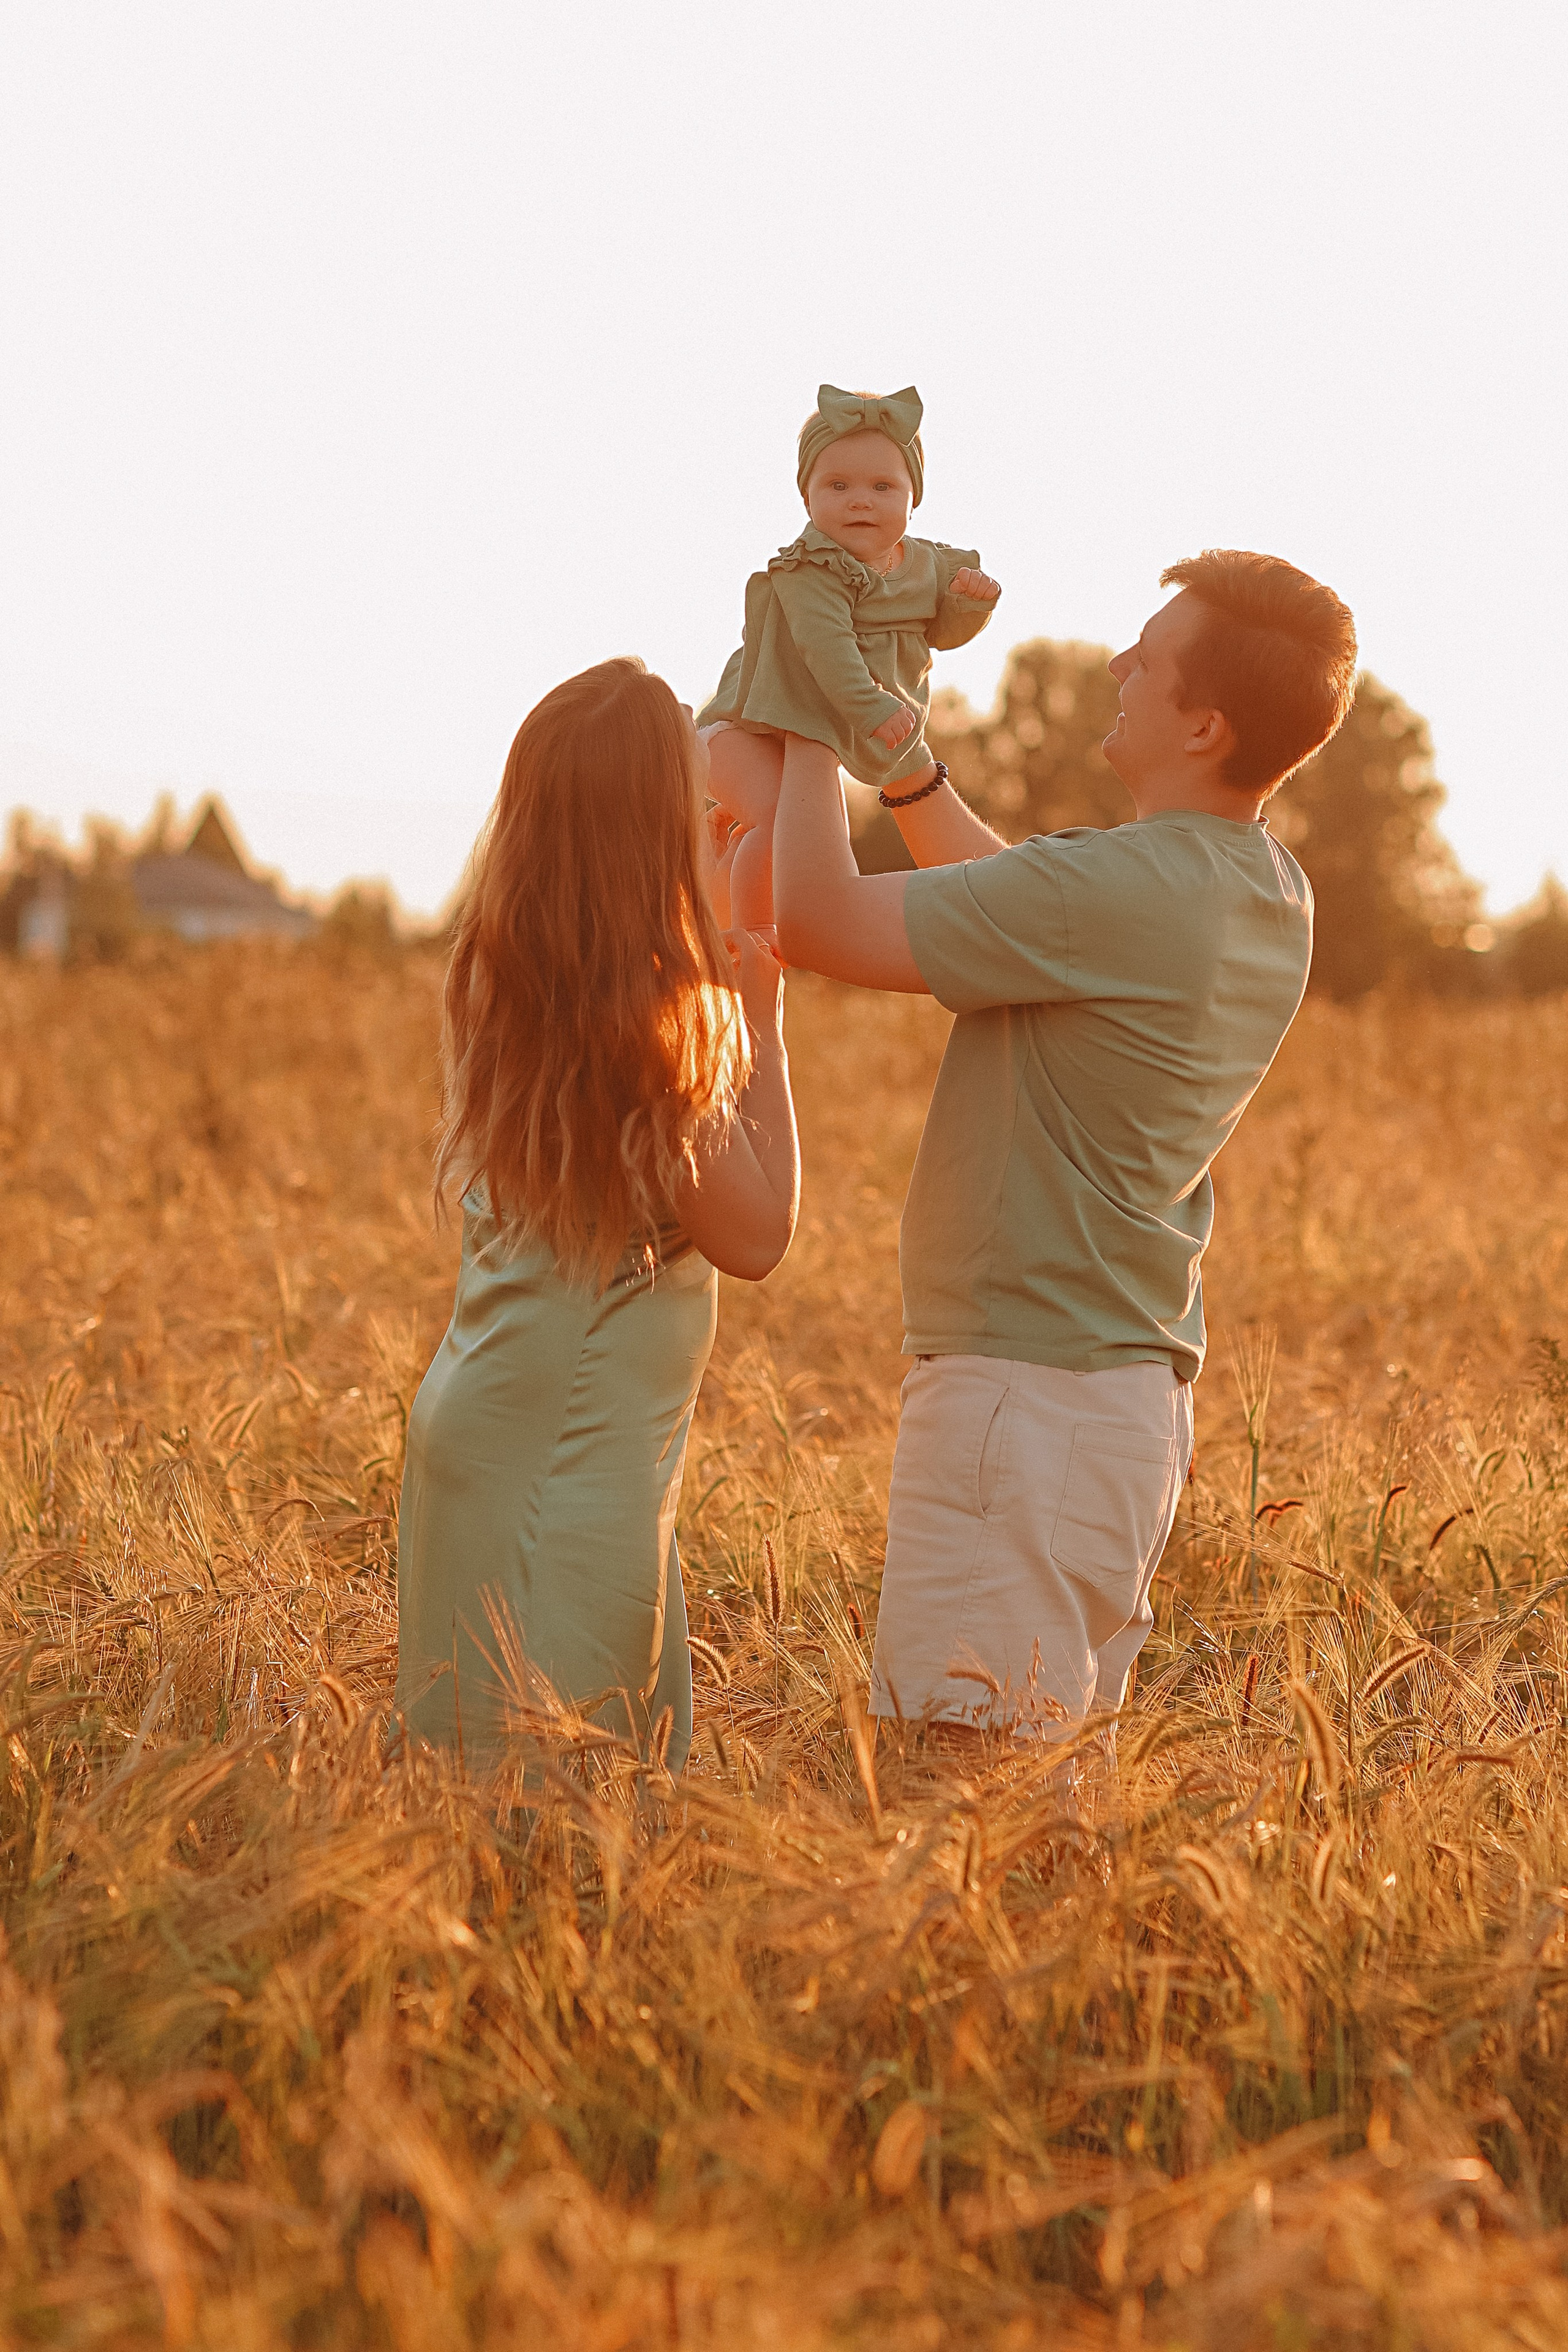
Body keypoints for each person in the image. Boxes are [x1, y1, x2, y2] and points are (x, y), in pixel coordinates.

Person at [772, 549, 1357, 1743]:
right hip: (1118, 1410)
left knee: (957, 1790)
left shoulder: (1121, 888)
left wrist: (802, 711)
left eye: (1149, 655)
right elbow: (1018, 904)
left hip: (1018, 1404)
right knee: (1038, 1806)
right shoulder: (1258, 889)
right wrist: (908, 771)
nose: (1117, 664)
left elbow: (810, 918)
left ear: (1200, 725)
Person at [394, 658, 799, 1775]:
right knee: (564, 1800)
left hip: (501, 1423)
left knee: (490, 1787)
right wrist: (757, 1022)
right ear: (652, 829)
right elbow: (758, 1234)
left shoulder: (519, 984)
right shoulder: (658, 1031)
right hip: (567, 1462)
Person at [699, 383, 1000, 929]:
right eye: (838, 485)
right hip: (741, 732)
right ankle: (757, 945)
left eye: (883, 486)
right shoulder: (813, 567)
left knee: (792, 825)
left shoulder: (927, 564)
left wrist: (969, 604)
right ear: (807, 497)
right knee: (779, 826)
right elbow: (828, 648)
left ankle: (714, 896)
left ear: (914, 496)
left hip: (809, 738)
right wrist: (872, 706)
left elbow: (940, 634)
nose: (860, 500)